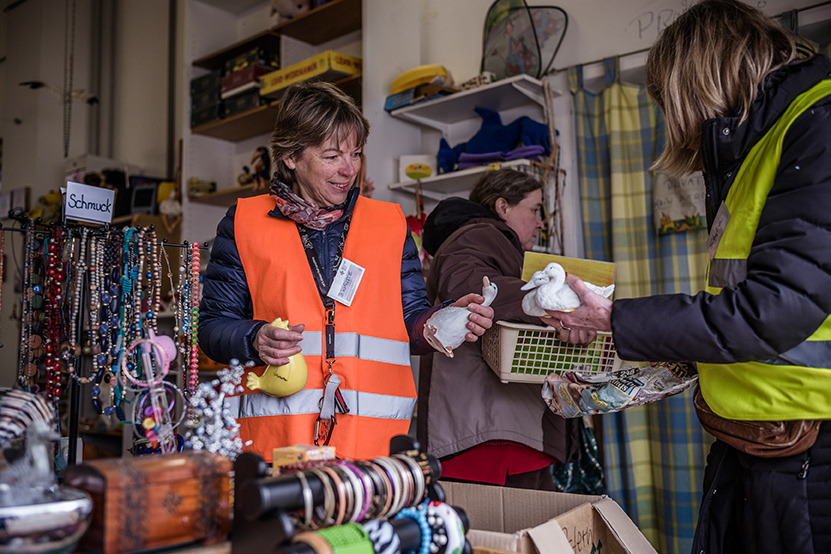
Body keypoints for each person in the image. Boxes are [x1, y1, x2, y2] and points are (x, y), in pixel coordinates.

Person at [556, 1, 831, 551]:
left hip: (807, 446)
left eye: (668, 102)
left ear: (698, 80)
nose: (672, 121)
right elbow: (747, 298)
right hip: (752, 434)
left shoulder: (815, 122)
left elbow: (775, 307)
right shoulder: (756, 147)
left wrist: (616, 318)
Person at [198, 80, 494, 462]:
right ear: (290, 156)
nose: (348, 169)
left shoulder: (389, 224)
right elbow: (212, 327)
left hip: (373, 450)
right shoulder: (244, 222)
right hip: (277, 449)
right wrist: (253, 337)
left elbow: (410, 320)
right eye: (332, 156)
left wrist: (445, 320)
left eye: (355, 154)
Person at [417, 168, 580, 490]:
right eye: (534, 209)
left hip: (491, 425)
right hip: (493, 430)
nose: (541, 222)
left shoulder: (484, 239)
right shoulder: (480, 235)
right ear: (503, 207)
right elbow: (470, 282)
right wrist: (556, 305)